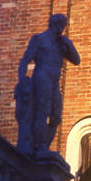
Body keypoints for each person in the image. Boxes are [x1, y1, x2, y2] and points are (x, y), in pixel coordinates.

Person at [15, 15, 81, 156]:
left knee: (56, 116)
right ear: (55, 24)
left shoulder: (61, 43)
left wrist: (68, 44)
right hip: (42, 77)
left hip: (54, 81)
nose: (62, 29)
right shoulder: (39, 39)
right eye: (62, 26)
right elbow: (25, 60)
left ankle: (44, 142)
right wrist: (22, 81)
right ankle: (40, 146)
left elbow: (76, 60)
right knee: (42, 111)